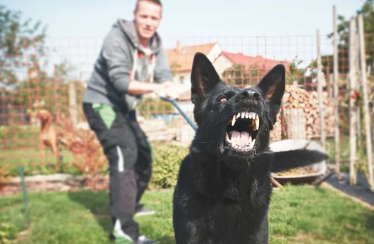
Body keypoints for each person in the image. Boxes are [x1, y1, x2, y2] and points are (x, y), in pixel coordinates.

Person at [82, 0, 178, 243]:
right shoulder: (116, 38)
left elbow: (163, 73)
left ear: (159, 20)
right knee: (125, 153)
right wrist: (156, 88)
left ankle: (129, 204)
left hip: (125, 108)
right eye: (144, 16)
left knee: (144, 156)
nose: (148, 22)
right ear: (134, 15)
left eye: (154, 18)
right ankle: (123, 230)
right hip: (102, 103)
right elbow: (120, 82)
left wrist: (168, 85)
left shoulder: (156, 44)